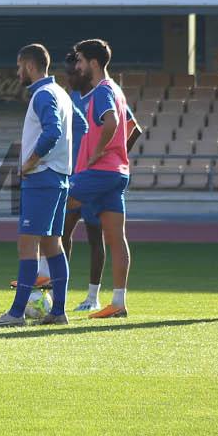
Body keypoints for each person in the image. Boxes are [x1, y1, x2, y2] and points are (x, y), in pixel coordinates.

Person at [0, 44, 74, 328]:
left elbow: (52, 132)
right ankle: (58, 311)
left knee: (28, 245)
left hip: (43, 177)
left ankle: (16, 313)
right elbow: (77, 128)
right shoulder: (61, 94)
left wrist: (30, 161)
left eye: (19, 66)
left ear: (31, 66)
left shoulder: (43, 94)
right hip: (59, 177)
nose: (17, 72)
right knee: (53, 245)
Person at [60, 49, 142, 312]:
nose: (78, 66)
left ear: (93, 63)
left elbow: (113, 122)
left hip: (98, 172)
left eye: (81, 61)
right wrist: (117, 152)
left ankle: (46, 279)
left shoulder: (102, 90)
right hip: (117, 174)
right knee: (117, 238)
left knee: (53, 209)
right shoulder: (116, 90)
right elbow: (128, 127)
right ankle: (118, 303)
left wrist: (98, 152)